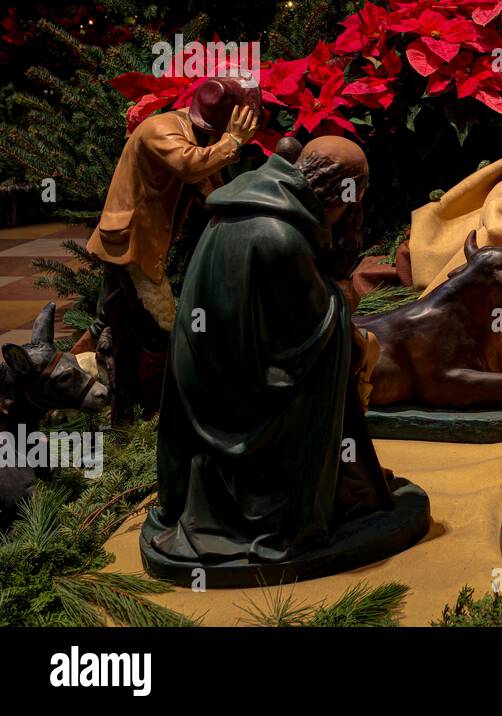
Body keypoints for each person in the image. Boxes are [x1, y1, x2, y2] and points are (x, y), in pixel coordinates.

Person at [149, 136, 391, 564]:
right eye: (358, 197)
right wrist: (349, 320)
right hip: (240, 408)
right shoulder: (281, 238)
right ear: (344, 195)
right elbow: (312, 345)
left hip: (208, 385)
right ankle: (294, 511)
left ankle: (339, 477)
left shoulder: (238, 209)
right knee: (336, 363)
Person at [87, 77, 258, 424]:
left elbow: (209, 186)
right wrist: (233, 142)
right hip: (129, 248)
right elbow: (190, 165)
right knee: (153, 330)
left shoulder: (196, 137)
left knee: (126, 328)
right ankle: (140, 414)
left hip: (143, 250)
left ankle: (134, 410)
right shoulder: (160, 130)